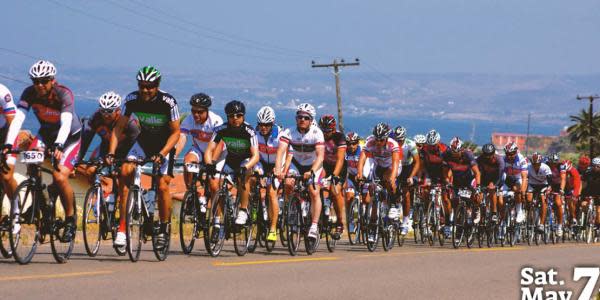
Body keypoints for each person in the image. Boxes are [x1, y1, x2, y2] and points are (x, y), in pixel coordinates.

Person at [4, 60, 82, 242]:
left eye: (43, 81)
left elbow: (66, 123)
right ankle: (40, 204)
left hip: (69, 136)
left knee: (60, 177)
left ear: (52, 80)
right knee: (31, 162)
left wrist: (60, 145)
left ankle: (70, 219)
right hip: (46, 134)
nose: (39, 85)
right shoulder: (29, 93)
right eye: (35, 81)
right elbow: (18, 119)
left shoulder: (64, 93)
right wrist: (9, 144)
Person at [107, 66, 180, 248]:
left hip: (164, 146)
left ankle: (163, 228)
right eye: (142, 86)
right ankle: (122, 229)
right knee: (125, 172)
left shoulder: (168, 102)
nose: (145, 90)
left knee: (163, 185)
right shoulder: (132, 99)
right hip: (144, 143)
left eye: (150, 86)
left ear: (157, 85)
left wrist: (162, 154)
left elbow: (176, 133)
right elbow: (118, 128)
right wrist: (111, 153)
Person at [204, 100, 259, 241]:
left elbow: (256, 156)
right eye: (232, 116)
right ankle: (224, 221)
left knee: (243, 176)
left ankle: (243, 210)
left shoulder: (249, 131)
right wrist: (209, 163)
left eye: (239, 115)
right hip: (231, 160)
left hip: (246, 160)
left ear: (243, 116)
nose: (235, 119)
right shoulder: (221, 129)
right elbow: (209, 149)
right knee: (219, 185)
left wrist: (246, 167)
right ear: (227, 117)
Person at [77, 91, 140, 212]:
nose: (105, 115)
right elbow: (86, 141)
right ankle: (100, 195)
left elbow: (137, 144)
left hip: (127, 150)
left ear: (117, 110)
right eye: (103, 111)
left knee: (122, 175)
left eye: (109, 111)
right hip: (106, 149)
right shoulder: (96, 118)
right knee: (90, 170)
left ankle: (129, 201)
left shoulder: (129, 122)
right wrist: (78, 160)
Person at [274, 103, 324, 240]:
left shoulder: (317, 133)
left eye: (306, 117)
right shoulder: (289, 132)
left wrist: (312, 171)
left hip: (314, 165)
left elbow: (320, 156)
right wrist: (278, 169)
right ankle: (292, 210)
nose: (302, 119)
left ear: (311, 120)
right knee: (289, 184)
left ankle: (314, 226)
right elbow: (280, 152)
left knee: (314, 191)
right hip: (297, 164)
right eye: (299, 117)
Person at [356, 123, 401, 243]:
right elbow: (362, 159)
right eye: (377, 139)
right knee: (374, 195)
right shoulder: (370, 142)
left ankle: (393, 205)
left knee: (389, 180)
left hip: (392, 166)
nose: (378, 142)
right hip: (378, 166)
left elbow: (396, 161)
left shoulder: (392, 144)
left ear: (386, 138)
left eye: (381, 140)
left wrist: (392, 177)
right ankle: (373, 228)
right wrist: (359, 174)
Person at [179, 92, 223, 214]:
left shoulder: (216, 121)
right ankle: (196, 196)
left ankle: (217, 218)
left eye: (200, 112)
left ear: (206, 111)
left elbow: (219, 144)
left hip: (216, 152)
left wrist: (212, 162)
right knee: (187, 163)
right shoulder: (189, 120)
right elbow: (182, 138)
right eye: (193, 111)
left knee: (213, 184)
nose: (196, 115)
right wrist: (174, 155)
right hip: (198, 149)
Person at [253, 106, 290, 242]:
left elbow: (285, 154)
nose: (263, 127)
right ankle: (254, 207)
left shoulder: (280, 135)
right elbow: (253, 154)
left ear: (272, 123)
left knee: (271, 192)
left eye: (267, 125)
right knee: (252, 181)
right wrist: (257, 170)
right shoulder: (255, 134)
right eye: (261, 125)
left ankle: (273, 229)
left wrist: (278, 170)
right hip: (262, 163)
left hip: (277, 164)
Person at [442, 137, 481, 235]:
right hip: (457, 180)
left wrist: (478, 187)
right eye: (453, 154)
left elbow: (477, 173)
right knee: (455, 202)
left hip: (469, 180)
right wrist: (447, 182)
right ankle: (459, 224)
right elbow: (445, 172)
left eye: (457, 154)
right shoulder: (447, 155)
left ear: (461, 150)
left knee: (472, 198)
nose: (455, 156)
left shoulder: (468, 155)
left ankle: (475, 209)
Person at [318, 114, 347, 239]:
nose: (325, 134)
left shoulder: (339, 137)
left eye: (328, 131)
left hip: (338, 167)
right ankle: (321, 214)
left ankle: (340, 222)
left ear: (333, 129)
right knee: (320, 188)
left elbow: (340, 160)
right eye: (323, 130)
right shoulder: (318, 135)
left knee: (335, 192)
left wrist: (334, 175)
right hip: (325, 165)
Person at [392, 126, 421, 235]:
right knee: (392, 188)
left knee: (406, 195)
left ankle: (405, 222)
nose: (398, 142)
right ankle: (393, 210)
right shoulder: (392, 143)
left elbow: (417, 162)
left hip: (407, 168)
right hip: (395, 165)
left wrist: (411, 176)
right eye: (397, 140)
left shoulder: (410, 144)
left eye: (400, 140)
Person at [476, 143, 505, 224]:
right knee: (479, 195)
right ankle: (478, 212)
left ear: (493, 153)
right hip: (485, 178)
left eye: (490, 155)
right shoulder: (480, 159)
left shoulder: (499, 160)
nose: (487, 157)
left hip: (497, 178)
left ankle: (494, 213)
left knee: (492, 191)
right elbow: (475, 172)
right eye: (485, 155)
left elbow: (500, 175)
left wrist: (494, 184)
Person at [501, 141, 529, 223]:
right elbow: (500, 175)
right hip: (507, 179)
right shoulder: (503, 159)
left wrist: (523, 192)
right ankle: (503, 215)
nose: (510, 156)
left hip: (518, 179)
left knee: (518, 190)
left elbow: (524, 178)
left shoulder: (521, 159)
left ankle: (519, 211)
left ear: (516, 152)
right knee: (500, 195)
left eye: (512, 154)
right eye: (508, 154)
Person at [526, 152, 553, 233]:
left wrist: (549, 188)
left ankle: (541, 224)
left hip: (543, 185)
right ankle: (530, 216)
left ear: (540, 163)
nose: (535, 166)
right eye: (534, 164)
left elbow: (550, 182)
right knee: (528, 199)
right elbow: (525, 178)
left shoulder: (545, 168)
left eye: (537, 164)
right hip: (532, 184)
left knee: (543, 198)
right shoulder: (528, 167)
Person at [0, 83, 18, 203]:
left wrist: (7, 146)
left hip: (8, 130)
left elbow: (12, 122)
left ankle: (16, 208)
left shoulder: (2, 92)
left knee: (6, 176)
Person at [581, 157, 600, 232]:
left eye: (598, 166)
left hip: (599, 192)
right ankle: (585, 220)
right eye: (594, 165)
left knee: (598, 211)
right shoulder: (588, 172)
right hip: (589, 191)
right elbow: (583, 183)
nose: (595, 167)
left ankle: (598, 226)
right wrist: (580, 193)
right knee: (583, 205)